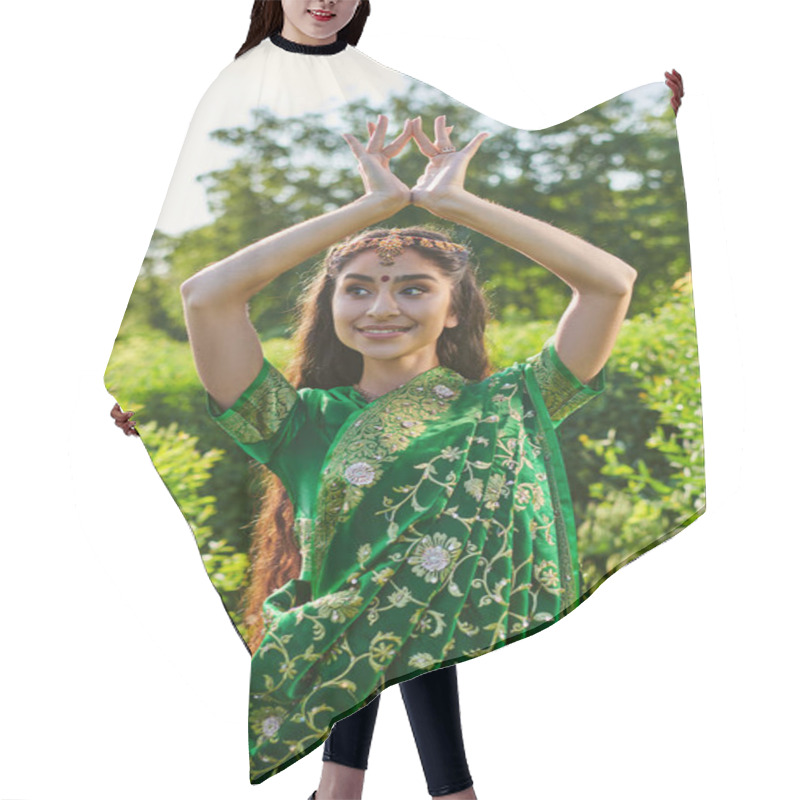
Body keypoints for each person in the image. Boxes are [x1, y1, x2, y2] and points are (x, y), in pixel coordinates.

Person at [182, 78, 635, 800]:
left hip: (461, 648)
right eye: (357, 288)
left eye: (414, 288)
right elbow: (206, 296)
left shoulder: (509, 405)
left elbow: (610, 285)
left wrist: (454, 205)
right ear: (330, 307)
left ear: (455, 311)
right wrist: (369, 209)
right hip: (328, 643)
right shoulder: (298, 422)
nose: (382, 306)